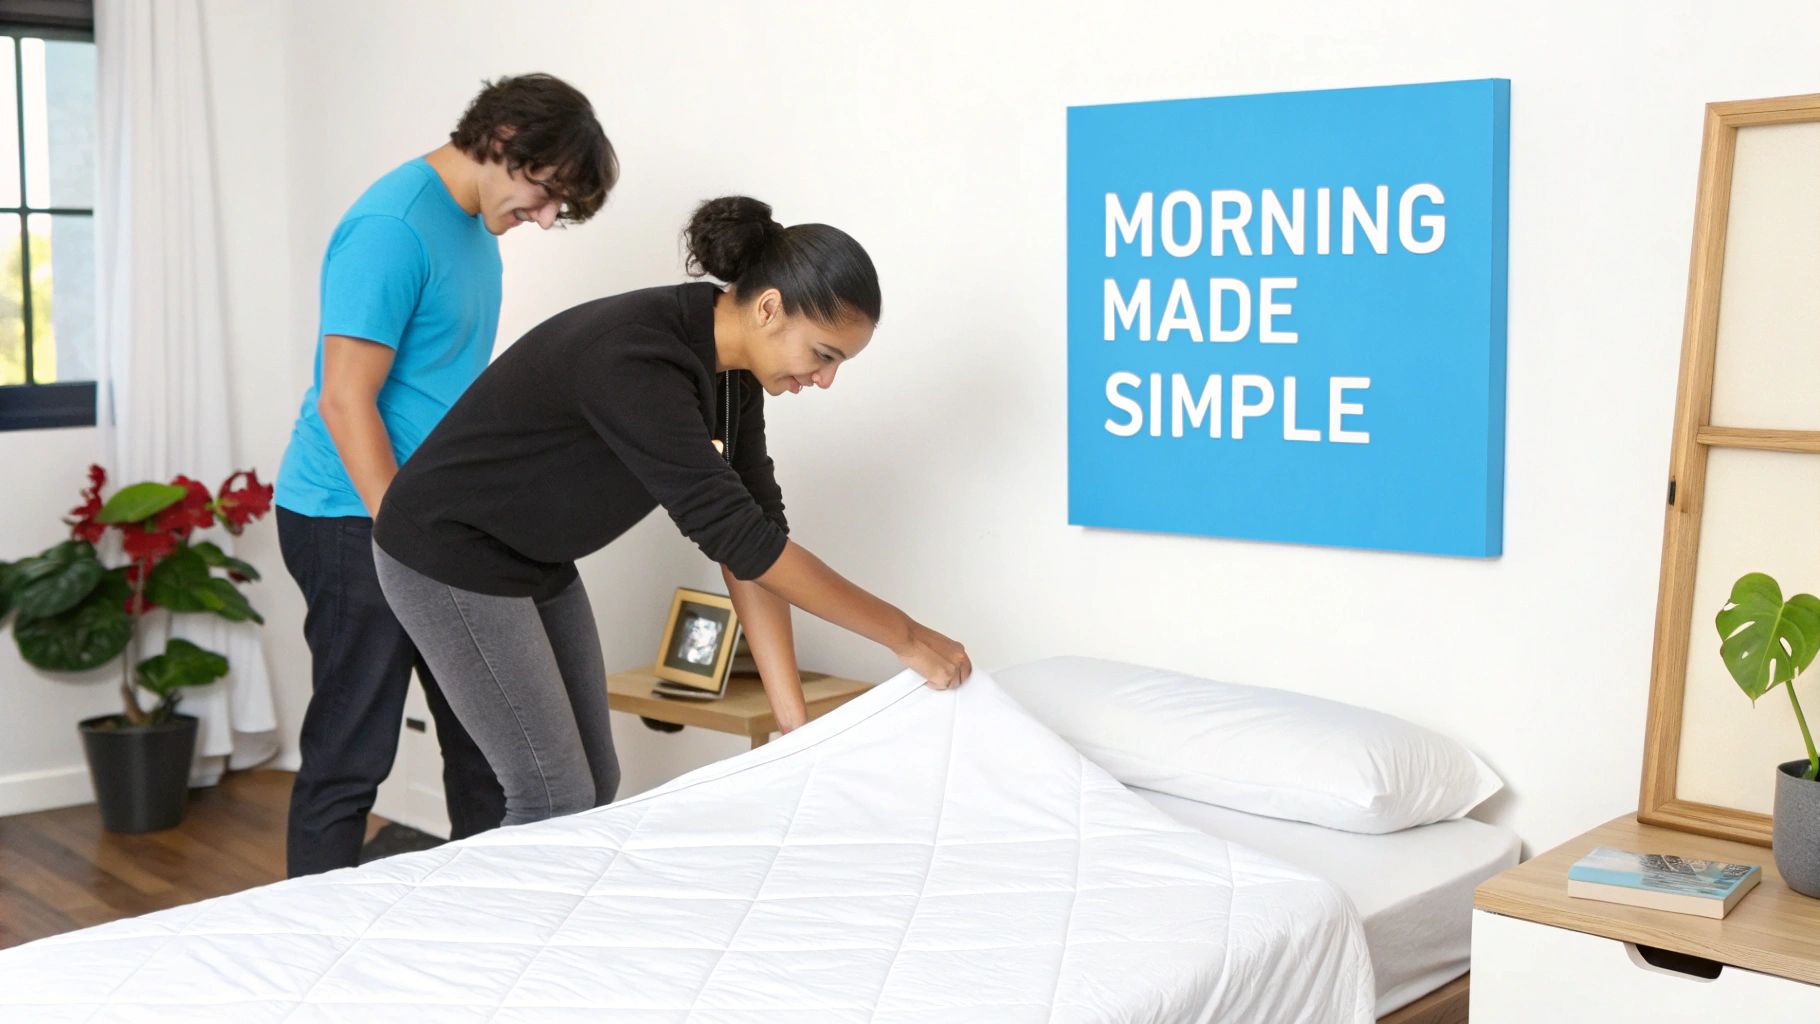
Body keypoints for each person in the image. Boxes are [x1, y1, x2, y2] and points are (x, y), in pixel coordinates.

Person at [371, 195, 971, 827]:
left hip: (534, 557)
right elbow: (744, 543)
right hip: (447, 553)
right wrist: (908, 637)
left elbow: (754, 539)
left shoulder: (731, 372)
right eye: (824, 355)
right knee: (553, 794)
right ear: (770, 309)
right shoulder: (635, 358)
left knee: (596, 782)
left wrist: (795, 733)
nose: (825, 379)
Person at [273, 73, 619, 876]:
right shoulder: (395, 226)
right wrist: (408, 539)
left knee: (493, 753)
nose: (542, 218)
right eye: (542, 194)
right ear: (501, 142)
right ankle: (306, 959)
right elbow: (344, 398)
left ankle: (483, 947)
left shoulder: (472, 226)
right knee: (352, 753)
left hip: (438, 521)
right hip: (350, 515)